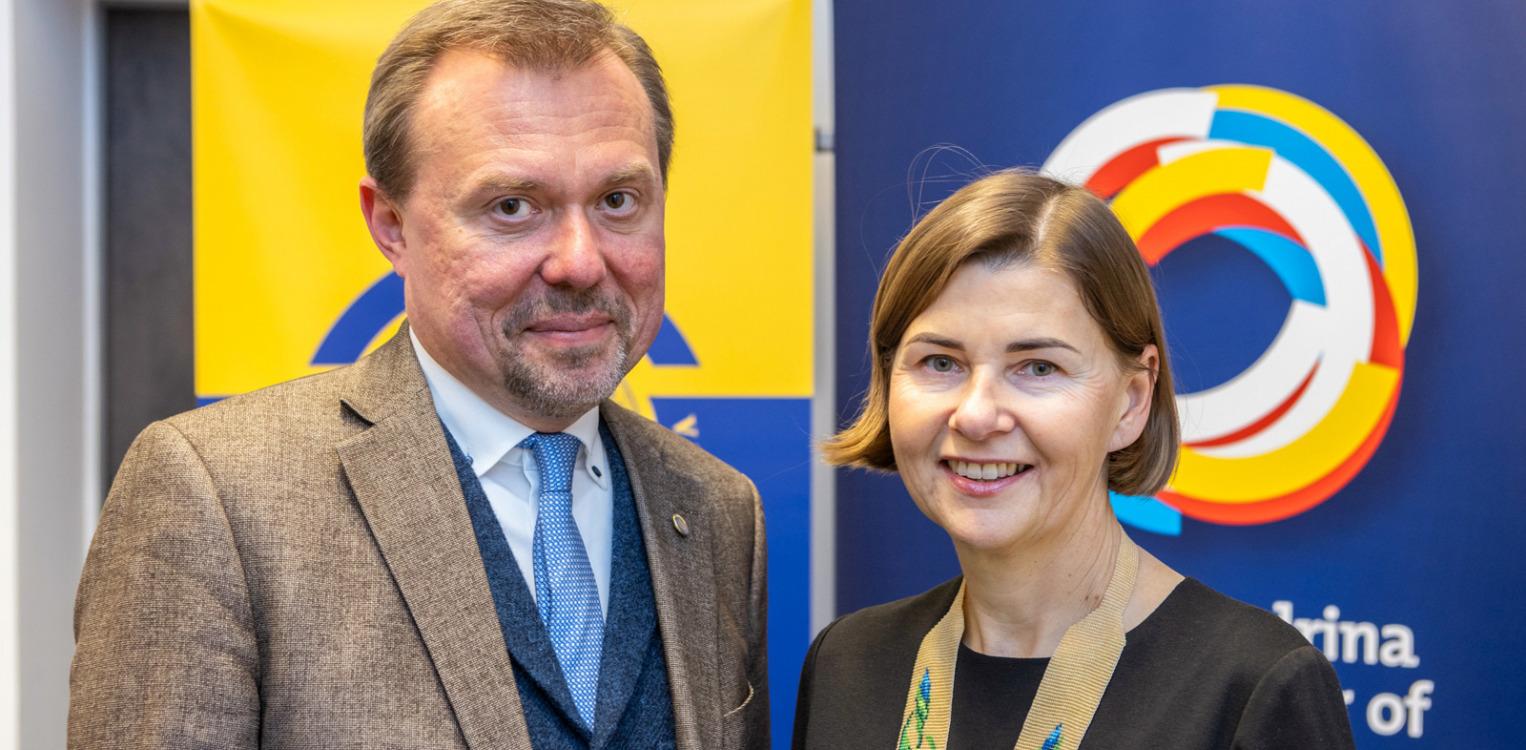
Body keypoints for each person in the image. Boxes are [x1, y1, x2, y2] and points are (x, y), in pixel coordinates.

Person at [69, 1, 767, 748]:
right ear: (390, 224)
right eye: (512, 206)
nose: (580, 261)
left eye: (618, 201)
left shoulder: (716, 511)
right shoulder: (218, 497)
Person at [793, 171, 1354, 749]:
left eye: (1038, 368)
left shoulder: (1251, 688)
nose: (976, 415)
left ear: (1131, 402)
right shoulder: (849, 664)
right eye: (940, 362)